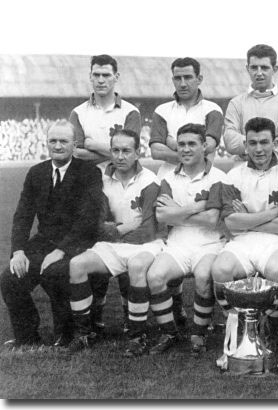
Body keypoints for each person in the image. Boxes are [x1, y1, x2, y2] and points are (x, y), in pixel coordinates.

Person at [0, 120, 103, 348]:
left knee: (55, 271)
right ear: (46, 143)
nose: (57, 146)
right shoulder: (37, 173)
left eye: (63, 141)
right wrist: (18, 251)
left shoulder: (89, 173)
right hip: (43, 242)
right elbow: (23, 215)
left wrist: (60, 251)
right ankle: (27, 336)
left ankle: (65, 335)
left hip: (77, 243)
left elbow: (87, 221)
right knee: (10, 278)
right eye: (53, 141)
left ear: (74, 145)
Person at [210, 117, 278, 366]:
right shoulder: (233, 175)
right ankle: (237, 328)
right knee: (220, 269)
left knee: (277, 270)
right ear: (245, 145)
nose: (259, 149)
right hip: (244, 240)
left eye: (264, 142)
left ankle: (269, 328)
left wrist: (247, 217)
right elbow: (230, 223)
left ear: (275, 142)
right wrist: (271, 213)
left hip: (277, 241)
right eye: (253, 143)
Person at [67, 129, 161, 356]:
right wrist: (124, 228)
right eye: (116, 150)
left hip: (146, 245)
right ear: (110, 152)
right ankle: (85, 332)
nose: (120, 156)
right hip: (113, 243)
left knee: (136, 266)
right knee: (76, 265)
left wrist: (114, 230)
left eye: (126, 151)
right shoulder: (101, 178)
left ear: (138, 153)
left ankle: (138, 335)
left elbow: (149, 229)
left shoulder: (150, 180)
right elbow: (97, 224)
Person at [69, 54, 141, 330]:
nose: (101, 80)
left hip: (124, 185)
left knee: (127, 244)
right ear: (90, 76)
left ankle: (128, 316)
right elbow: (75, 151)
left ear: (116, 77)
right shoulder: (79, 112)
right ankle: (94, 318)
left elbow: (131, 151)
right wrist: (113, 149)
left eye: (106, 75)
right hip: (89, 189)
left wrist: (92, 143)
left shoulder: (130, 112)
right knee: (94, 246)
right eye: (96, 74)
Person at [145, 124, 227, 355]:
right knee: (155, 276)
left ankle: (198, 334)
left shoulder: (219, 176)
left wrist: (178, 212)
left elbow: (212, 220)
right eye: (181, 144)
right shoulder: (168, 177)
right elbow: (162, 215)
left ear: (204, 146)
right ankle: (169, 333)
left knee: (203, 276)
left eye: (192, 144)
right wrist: (196, 207)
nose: (186, 149)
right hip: (177, 244)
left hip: (209, 244)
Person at [223, 44, 278, 164]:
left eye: (264, 68)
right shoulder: (236, 103)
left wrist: (248, 147)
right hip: (242, 171)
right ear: (247, 68)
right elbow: (230, 143)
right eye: (254, 68)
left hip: (277, 172)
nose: (259, 73)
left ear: (274, 69)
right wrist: (268, 144)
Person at [149, 57, 224, 179]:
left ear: (199, 79)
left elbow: (209, 146)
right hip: (167, 178)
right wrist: (194, 151)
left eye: (188, 77)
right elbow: (156, 152)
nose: (183, 84)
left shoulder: (212, 110)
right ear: (173, 80)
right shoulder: (161, 110)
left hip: (203, 178)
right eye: (178, 78)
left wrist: (172, 143)